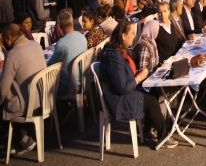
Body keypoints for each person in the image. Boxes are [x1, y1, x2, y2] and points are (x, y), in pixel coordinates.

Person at [98, 20, 177, 148]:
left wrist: (137, 73)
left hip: (125, 93)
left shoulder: (121, 51)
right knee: (151, 101)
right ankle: (163, 136)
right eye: (132, 34)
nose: (134, 37)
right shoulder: (114, 58)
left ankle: (148, 131)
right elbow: (122, 87)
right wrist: (139, 78)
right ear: (123, 36)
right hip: (119, 101)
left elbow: (125, 75)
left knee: (154, 92)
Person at [0, 24, 46, 155]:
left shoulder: (13, 54)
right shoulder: (35, 45)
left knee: (4, 98)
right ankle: (19, 139)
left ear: (8, 38)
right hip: (41, 100)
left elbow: (3, 90)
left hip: (26, 105)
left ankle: (18, 140)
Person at [47, 11, 87, 96]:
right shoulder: (82, 37)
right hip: (84, 79)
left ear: (60, 26)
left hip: (68, 86)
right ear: (72, 22)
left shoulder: (62, 43)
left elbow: (50, 66)